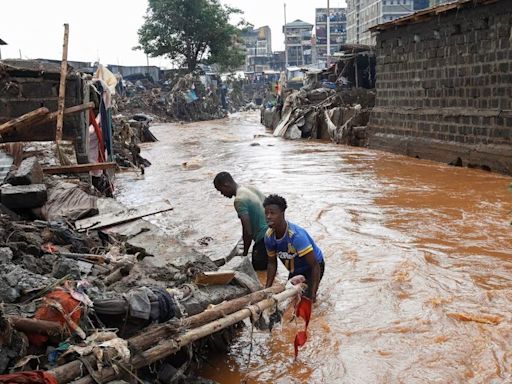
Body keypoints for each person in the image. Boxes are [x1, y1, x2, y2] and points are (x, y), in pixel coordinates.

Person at [263, 194, 325, 302]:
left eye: (272, 213)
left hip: (313, 267)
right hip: (295, 268)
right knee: (289, 299)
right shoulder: (269, 237)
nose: (268, 217)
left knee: (306, 299)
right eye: (266, 213)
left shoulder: (296, 236)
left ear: (282, 214)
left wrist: (312, 295)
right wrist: (266, 290)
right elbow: (272, 263)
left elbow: (315, 265)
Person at [213, 172, 268, 270]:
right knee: (270, 266)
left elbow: (247, 231)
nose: (222, 194)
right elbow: (270, 205)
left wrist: (245, 253)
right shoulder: (250, 189)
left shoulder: (239, 200)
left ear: (226, 185)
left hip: (262, 240)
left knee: (259, 272)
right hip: (272, 234)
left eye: (221, 190)